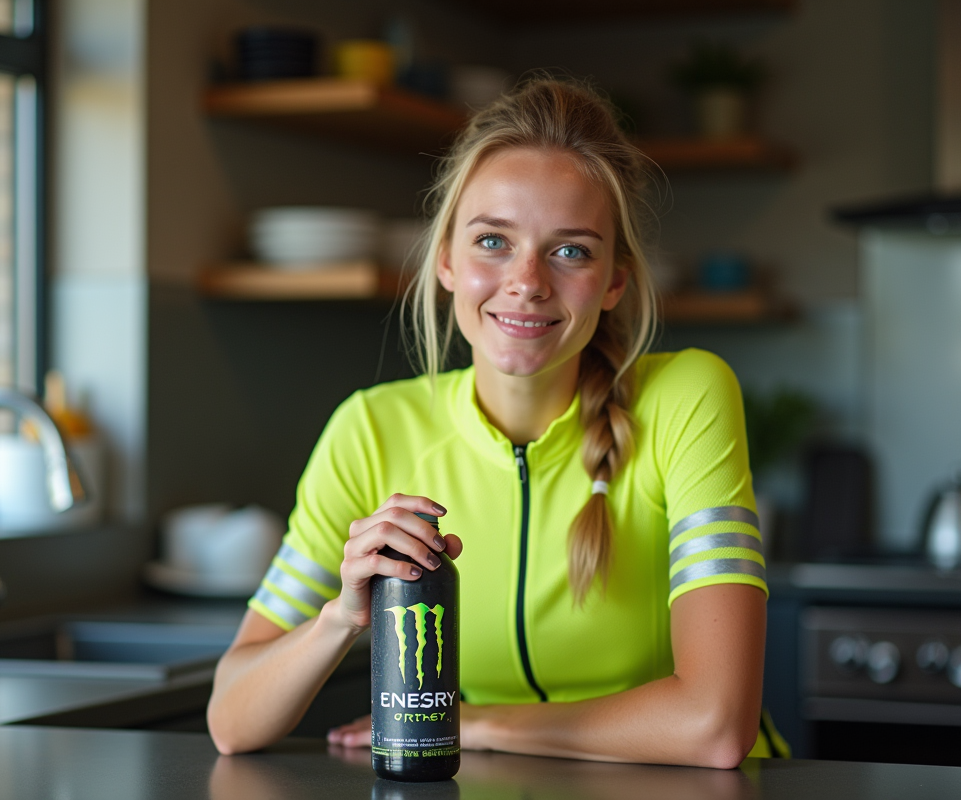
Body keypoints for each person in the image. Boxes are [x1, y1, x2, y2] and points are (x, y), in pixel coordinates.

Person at [207, 77, 782, 768]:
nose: (527, 280)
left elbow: (715, 728)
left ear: (615, 281)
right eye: (492, 241)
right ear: (445, 258)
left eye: (571, 250)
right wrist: (338, 618)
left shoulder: (686, 397)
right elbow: (232, 720)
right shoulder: (369, 429)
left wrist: (478, 723)